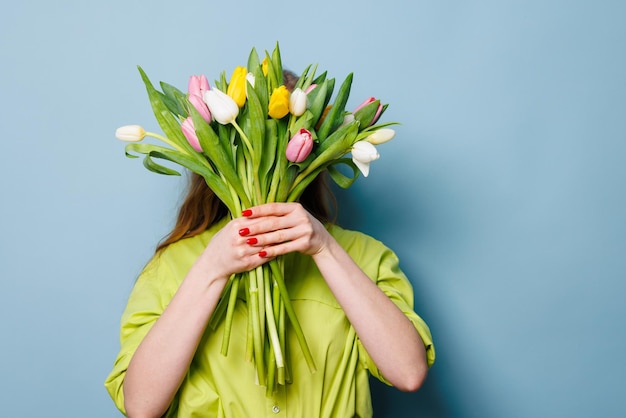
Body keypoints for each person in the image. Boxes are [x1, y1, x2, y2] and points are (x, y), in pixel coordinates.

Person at [105, 71, 435, 418]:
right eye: (250, 142)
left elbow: (408, 373)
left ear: (314, 150)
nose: (265, 159)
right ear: (218, 153)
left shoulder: (364, 256)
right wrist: (211, 268)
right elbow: (141, 406)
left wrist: (324, 248)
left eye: (279, 140)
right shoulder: (173, 265)